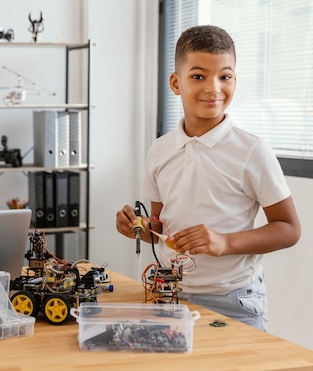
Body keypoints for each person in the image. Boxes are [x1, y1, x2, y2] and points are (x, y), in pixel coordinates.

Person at [115, 25, 301, 331]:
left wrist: (224, 242)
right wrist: (138, 228)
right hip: (167, 295)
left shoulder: (252, 150)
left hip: (232, 301)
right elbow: (160, 229)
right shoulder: (159, 150)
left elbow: (290, 229)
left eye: (224, 76)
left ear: (235, 81)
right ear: (176, 83)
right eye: (198, 76)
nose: (214, 88)